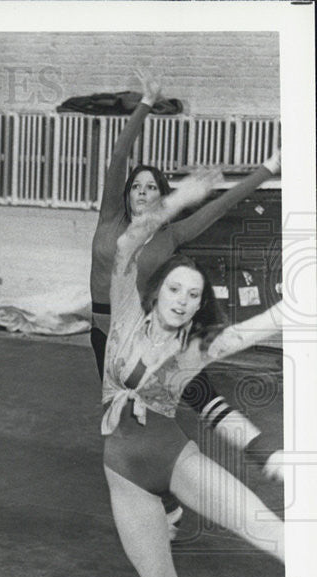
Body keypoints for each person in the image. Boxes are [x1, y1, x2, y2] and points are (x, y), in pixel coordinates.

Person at [103, 166, 285, 577]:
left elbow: (259, 326)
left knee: (268, 531)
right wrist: (179, 200)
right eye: (176, 289)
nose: (183, 300)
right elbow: (129, 241)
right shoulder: (125, 309)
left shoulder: (193, 349)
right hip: (123, 477)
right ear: (159, 291)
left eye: (193, 295)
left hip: (174, 458)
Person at [90, 71, 283, 537]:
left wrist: (268, 169)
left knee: (178, 393)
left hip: (153, 334)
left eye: (151, 188)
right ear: (127, 194)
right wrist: (145, 105)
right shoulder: (111, 218)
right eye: (136, 187)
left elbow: (220, 205)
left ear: (163, 197)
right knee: (134, 417)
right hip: (104, 333)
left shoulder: (172, 233)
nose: (142, 192)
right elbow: (119, 158)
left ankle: (253, 451)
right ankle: (171, 500)